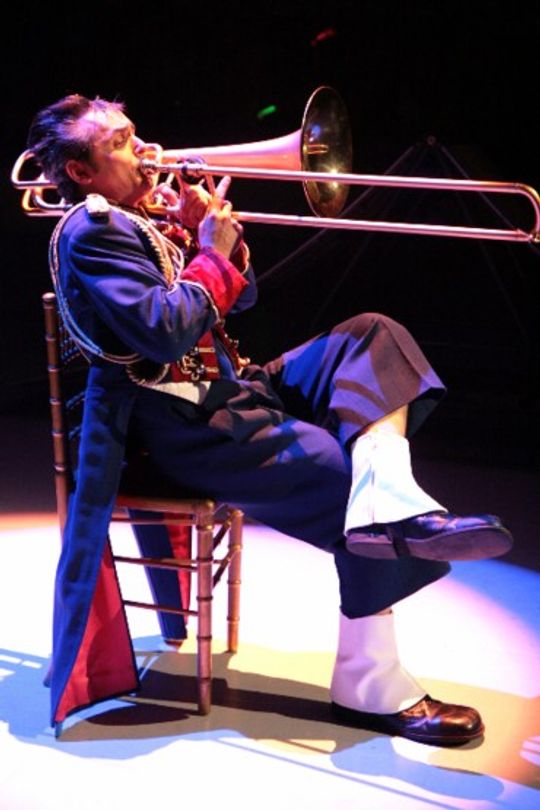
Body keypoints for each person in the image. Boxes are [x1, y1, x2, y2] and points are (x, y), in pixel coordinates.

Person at [26, 93, 512, 744]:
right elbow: (164, 334)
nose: (142, 149)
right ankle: (371, 683)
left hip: (226, 392)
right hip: (174, 422)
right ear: (80, 172)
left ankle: (390, 498)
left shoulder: (142, 219)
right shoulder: (90, 231)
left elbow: (242, 298)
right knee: (346, 486)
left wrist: (206, 239)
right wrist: (209, 254)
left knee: (371, 335)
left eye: (133, 132)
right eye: (118, 144)